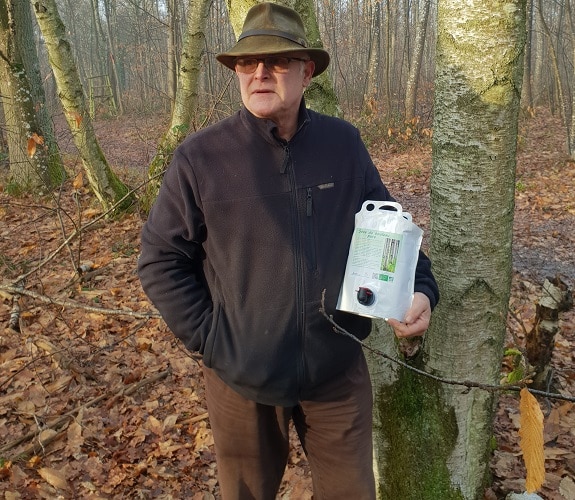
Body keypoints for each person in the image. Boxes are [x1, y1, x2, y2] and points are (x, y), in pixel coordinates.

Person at [138, 3, 439, 499]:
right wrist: (214, 342)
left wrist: (421, 290)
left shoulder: (343, 145)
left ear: (306, 72)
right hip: (242, 382)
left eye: (276, 61)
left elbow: (389, 228)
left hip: (335, 373)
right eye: (247, 62)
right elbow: (159, 260)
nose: (259, 73)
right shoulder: (202, 158)